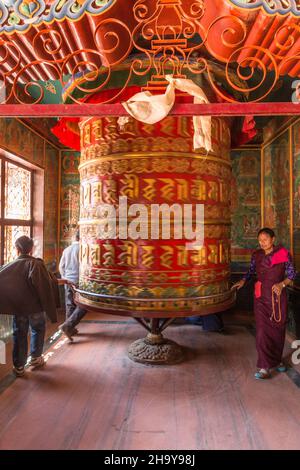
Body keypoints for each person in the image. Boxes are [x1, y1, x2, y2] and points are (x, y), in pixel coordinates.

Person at [233, 228, 296, 380]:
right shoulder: (257, 255)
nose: (262, 243)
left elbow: (292, 273)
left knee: (277, 330)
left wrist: (282, 284)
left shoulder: (282, 254)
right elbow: (251, 271)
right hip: (261, 297)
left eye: (265, 239)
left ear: (273, 239)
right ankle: (264, 367)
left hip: (277, 296)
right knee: (262, 331)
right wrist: (243, 280)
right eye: (260, 240)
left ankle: (277, 360)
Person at [0, 236, 57, 377]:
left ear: (17, 249)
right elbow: (45, 285)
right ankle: (36, 358)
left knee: (19, 333)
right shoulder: (37, 264)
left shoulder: (9, 266)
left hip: (18, 308)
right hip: (36, 308)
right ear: (31, 249)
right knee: (37, 329)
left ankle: (19, 366)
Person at [59, 230, 86, 341]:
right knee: (84, 305)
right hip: (79, 281)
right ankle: (68, 326)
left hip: (68, 280)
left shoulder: (67, 249)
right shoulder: (84, 249)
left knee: (70, 304)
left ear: (75, 237)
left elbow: (61, 266)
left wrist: (65, 278)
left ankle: (69, 328)